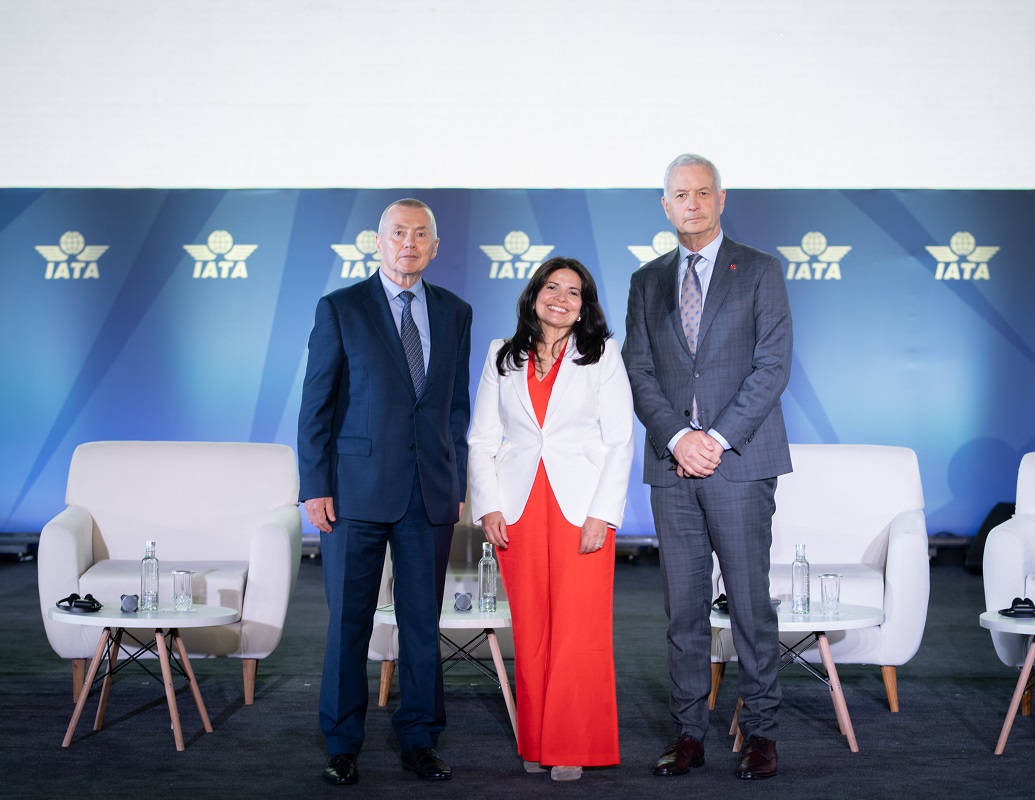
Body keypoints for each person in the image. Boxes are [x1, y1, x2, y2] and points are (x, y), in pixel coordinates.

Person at [622, 154, 793, 781]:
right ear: (665, 205)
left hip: (739, 463)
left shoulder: (760, 270)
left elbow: (772, 365)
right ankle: (689, 731)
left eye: (702, 193)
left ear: (721, 199)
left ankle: (762, 732)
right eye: (679, 195)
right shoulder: (646, 280)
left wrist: (714, 439)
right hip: (673, 469)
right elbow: (637, 371)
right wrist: (677, 438)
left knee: (749, 605)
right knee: (684, 610)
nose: (691, 204)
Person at [297, 198, 472, 786]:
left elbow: (454, 407)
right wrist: (315, 485)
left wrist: (456, 478)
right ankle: (342, 743)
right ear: (379, 242)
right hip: (354, 494)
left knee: (422, 626)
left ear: (435, 247)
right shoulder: (341, 308)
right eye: (398, 233)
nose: (409, 244)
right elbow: (316, 405)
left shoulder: (455, 312)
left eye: (421, 234)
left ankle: (419, 738)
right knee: (349, 624)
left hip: (430, 494)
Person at [468, 257, 634, 782]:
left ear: (584, 306)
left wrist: (602, 514)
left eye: (573, 292)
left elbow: (621, 439)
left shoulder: (602, 354)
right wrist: (488, 505)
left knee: (578, 628)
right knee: (532, 629)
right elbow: (481, 438)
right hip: (517, 508)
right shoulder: (501, 354)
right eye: (552, 287)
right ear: (534, 294)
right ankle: (537, 738)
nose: (561, 298)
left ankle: (571, 743)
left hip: (580, 510)